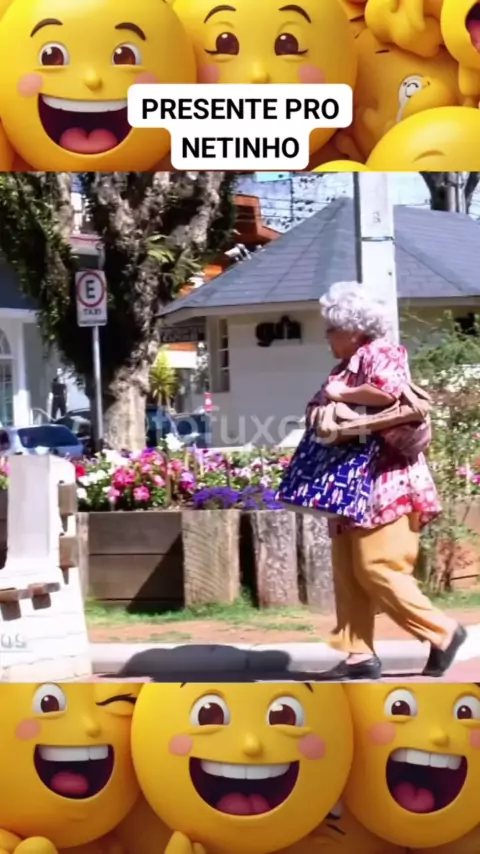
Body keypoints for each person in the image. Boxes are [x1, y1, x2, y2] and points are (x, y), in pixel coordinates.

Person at [308, 281, 466, 680]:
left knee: (378, 566)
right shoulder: (342, 369)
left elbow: (388, 391)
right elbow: (315, 408)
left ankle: (443, 632)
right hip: (348, 485)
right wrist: (326, 408)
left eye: (332, 329)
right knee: (348, 572)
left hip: (387, 481)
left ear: (353, 329)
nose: (327, 336)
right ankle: (358, 655)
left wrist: (340, 396)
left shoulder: (382, 354)